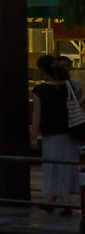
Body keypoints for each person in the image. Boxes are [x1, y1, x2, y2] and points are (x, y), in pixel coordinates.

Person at [31, 54, 80, 217]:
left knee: (55, 166)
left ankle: (65, 203)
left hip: (51, 133)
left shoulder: (40, 90)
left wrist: (34, 136)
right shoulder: (68, 86)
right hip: (69, 132)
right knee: (63, 166)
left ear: (42, 69)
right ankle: (51, 202)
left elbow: (37, 115)